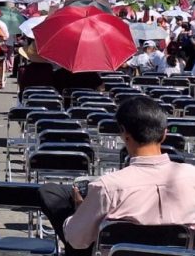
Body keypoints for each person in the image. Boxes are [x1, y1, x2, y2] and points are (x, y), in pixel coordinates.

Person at [38, 96, 195, 256]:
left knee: (53, 196)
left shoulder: (108, 187)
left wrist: (79, 211)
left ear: (124, 134)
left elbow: (76, 241)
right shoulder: (192, 176)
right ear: (164, 134)